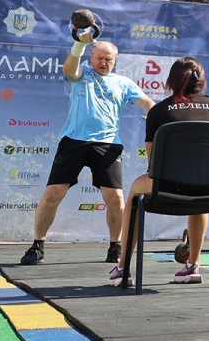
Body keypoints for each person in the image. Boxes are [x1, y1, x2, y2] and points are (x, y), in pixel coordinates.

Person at [20, 34, 154, 265]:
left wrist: (160, 117)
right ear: (91, 58)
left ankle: (115, 246)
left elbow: (147, 103)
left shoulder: (123, 83)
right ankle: (37, 246)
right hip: (73, 141)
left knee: (115, 198)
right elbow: (69, 70)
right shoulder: (82, 74)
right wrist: (79, 44)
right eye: (100, 57)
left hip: (108, 144)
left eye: (108, 59)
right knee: (53, 194)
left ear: (115, 61)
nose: (104, 62)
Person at [107, 57, 209, 287]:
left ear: (172, 80)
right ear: (201, 82)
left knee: (134, 191)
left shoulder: (159, 111)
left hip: (167, 186)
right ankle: (193, 265)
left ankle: (122, 268)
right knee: (200, 184)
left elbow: (155, 163)